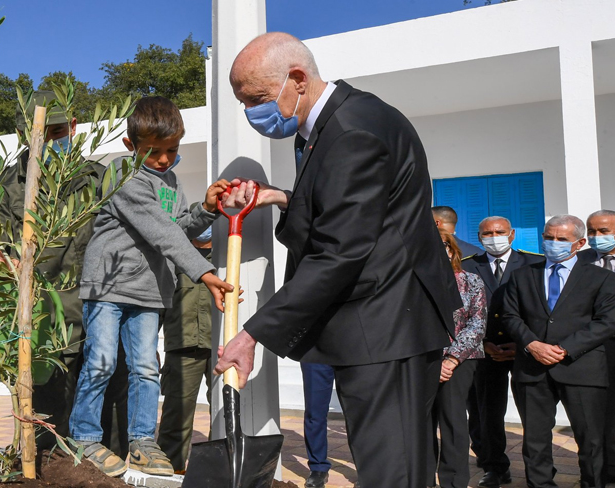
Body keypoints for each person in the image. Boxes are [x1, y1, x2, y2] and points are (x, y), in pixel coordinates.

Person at [215, 32, 461, 488]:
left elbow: (341, 251)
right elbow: (355, 211)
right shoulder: (338, 121)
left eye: (258, 99)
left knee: (394, 471)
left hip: (386, 326)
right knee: (395, 464)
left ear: (297, 79)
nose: (253, 115)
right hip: (380, 324)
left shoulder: (351, 132)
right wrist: (282, 198)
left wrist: (252, 334)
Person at [70, 96, 234, 477]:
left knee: (145, 368)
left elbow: (177, 228)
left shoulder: (171, 182)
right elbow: (161, 231)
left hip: (148, 292)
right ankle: (84, 437)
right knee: (101, 362)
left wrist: (205, 209)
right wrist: (204, 273)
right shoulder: (121, 173)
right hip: (109, 286)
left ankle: (142, 442)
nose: (164, 159)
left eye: (171, 150)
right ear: (131, 146)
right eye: (154, 152)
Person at [0, 90, 130, 458]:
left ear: (74, 127)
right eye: (40, 134)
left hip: (103, 325)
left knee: (109, 436)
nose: (49, 142)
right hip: (44, 331)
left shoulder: (100, 181)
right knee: (47, 435)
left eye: (57, 132)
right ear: (22, 135)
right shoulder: (5, 187)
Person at [503, 214, 615, 488]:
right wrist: (531, 344)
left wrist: (565, 349)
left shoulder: (600, 278)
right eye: (548, 237)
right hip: (532, 368)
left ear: (579, 243)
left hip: (581, 368)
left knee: (590, 438)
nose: (553, 243)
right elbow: (509, 316)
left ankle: (592, 483)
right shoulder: (522, 275)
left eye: (561, 239)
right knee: (535, 438)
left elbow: (608, 321)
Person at [461, 216, 543, 488]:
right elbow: (463, 312)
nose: (493, 236)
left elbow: (543, 311)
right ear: (479, 235)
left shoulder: (534, 263)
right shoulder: (468, 265)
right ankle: (494, 466)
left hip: (525, 348)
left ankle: (539, 471)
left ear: (512, 234)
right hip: (485, 350)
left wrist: (523, 344)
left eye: (499, 232)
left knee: (532, 412)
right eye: (487, 233)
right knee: (486, 412)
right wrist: (482, 342)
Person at [427, 231, 486, 488]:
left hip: (460, 361)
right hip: (422, 361)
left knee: (452, 421)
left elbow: (477, 322)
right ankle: (422, 478)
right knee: (420, 422)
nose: (441, 253)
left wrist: (450, 359)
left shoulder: (471, 281)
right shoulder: (411, 283)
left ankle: (453, 482)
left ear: (454, 251)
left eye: (445, 248)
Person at [157, 227, 214, 474]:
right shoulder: (173, 260)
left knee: (228, 413)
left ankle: (217, 469)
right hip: (182, 347)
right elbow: (158, 300)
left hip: (222, 346)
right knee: (175, 416)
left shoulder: (229, 257)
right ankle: (171, 470)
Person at [579, 209, 615, 483]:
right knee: (595, 412)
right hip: (591, 346)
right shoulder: (579, 261)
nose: (596, 237)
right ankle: (600, 471)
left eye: (603, 231)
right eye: (591, 231)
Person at [301, 362, 335, 488]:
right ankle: (318, 467)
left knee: (358, 414)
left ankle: (364, 467)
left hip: (354, 349)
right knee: (314, 412)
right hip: (314, 351)